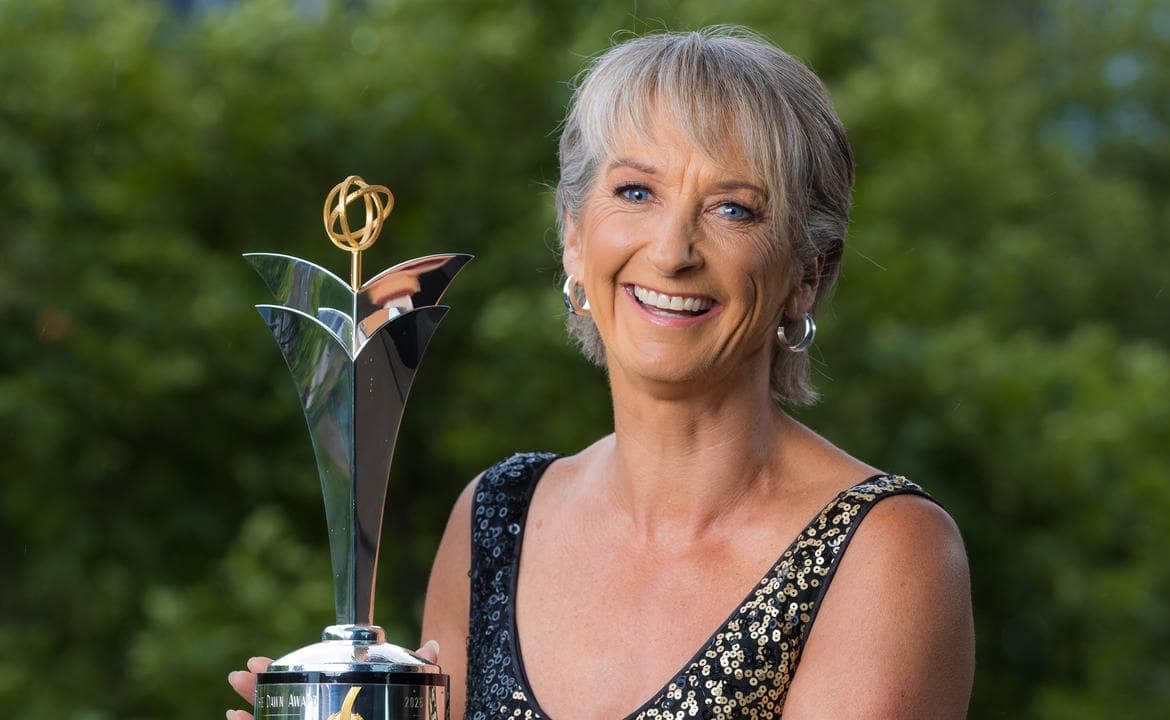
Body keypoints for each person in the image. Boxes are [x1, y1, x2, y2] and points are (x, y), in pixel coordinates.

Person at [230, 26, 973, 719]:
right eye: (636, 193)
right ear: (574, 237)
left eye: (733, 210)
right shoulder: (494, 519)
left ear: (806, 274)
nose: (672, 251)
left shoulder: (886, 551)